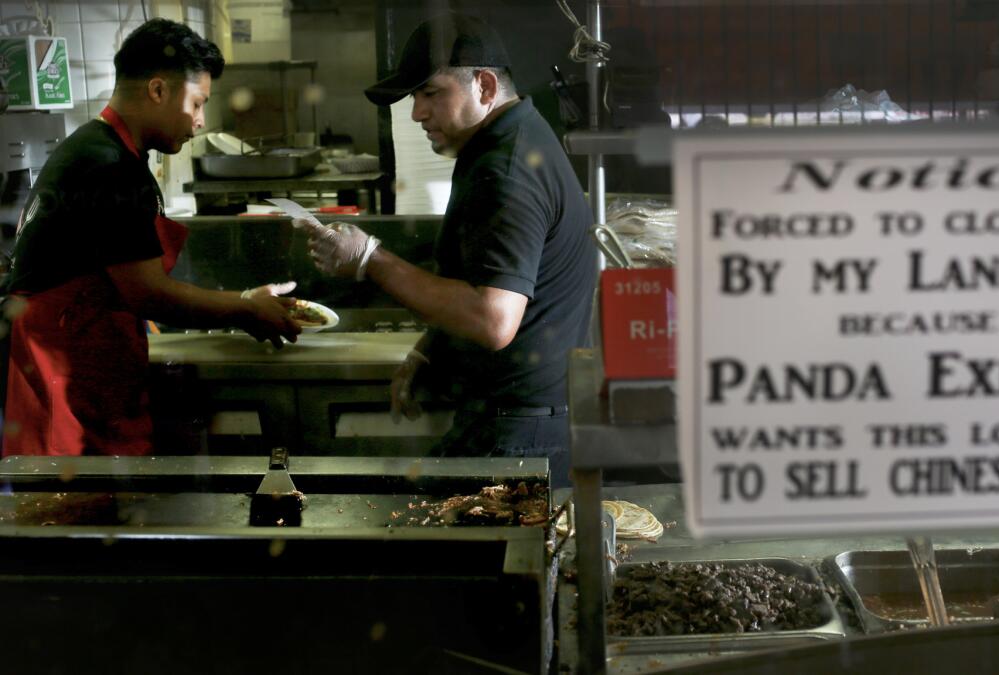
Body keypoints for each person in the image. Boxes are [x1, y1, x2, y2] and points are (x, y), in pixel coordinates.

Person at [300, 13, 596, 485]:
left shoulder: (506, 169)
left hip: (516, 431)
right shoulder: (511, 139)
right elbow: (488, 277)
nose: (417, 113)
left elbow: (492, 318)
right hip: (527, 420)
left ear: (483, 86)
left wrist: (370, 258)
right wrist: (431, 349)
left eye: (430, 93)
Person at [3, 19, 300, 456]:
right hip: (63, 384)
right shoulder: (108, 165)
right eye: (197, 104)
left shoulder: (100, 148)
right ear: (158, 90)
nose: (200, 122)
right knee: (70, 514)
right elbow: (148, 295)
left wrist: (244, 302)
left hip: (85, 369)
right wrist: (244, 308)